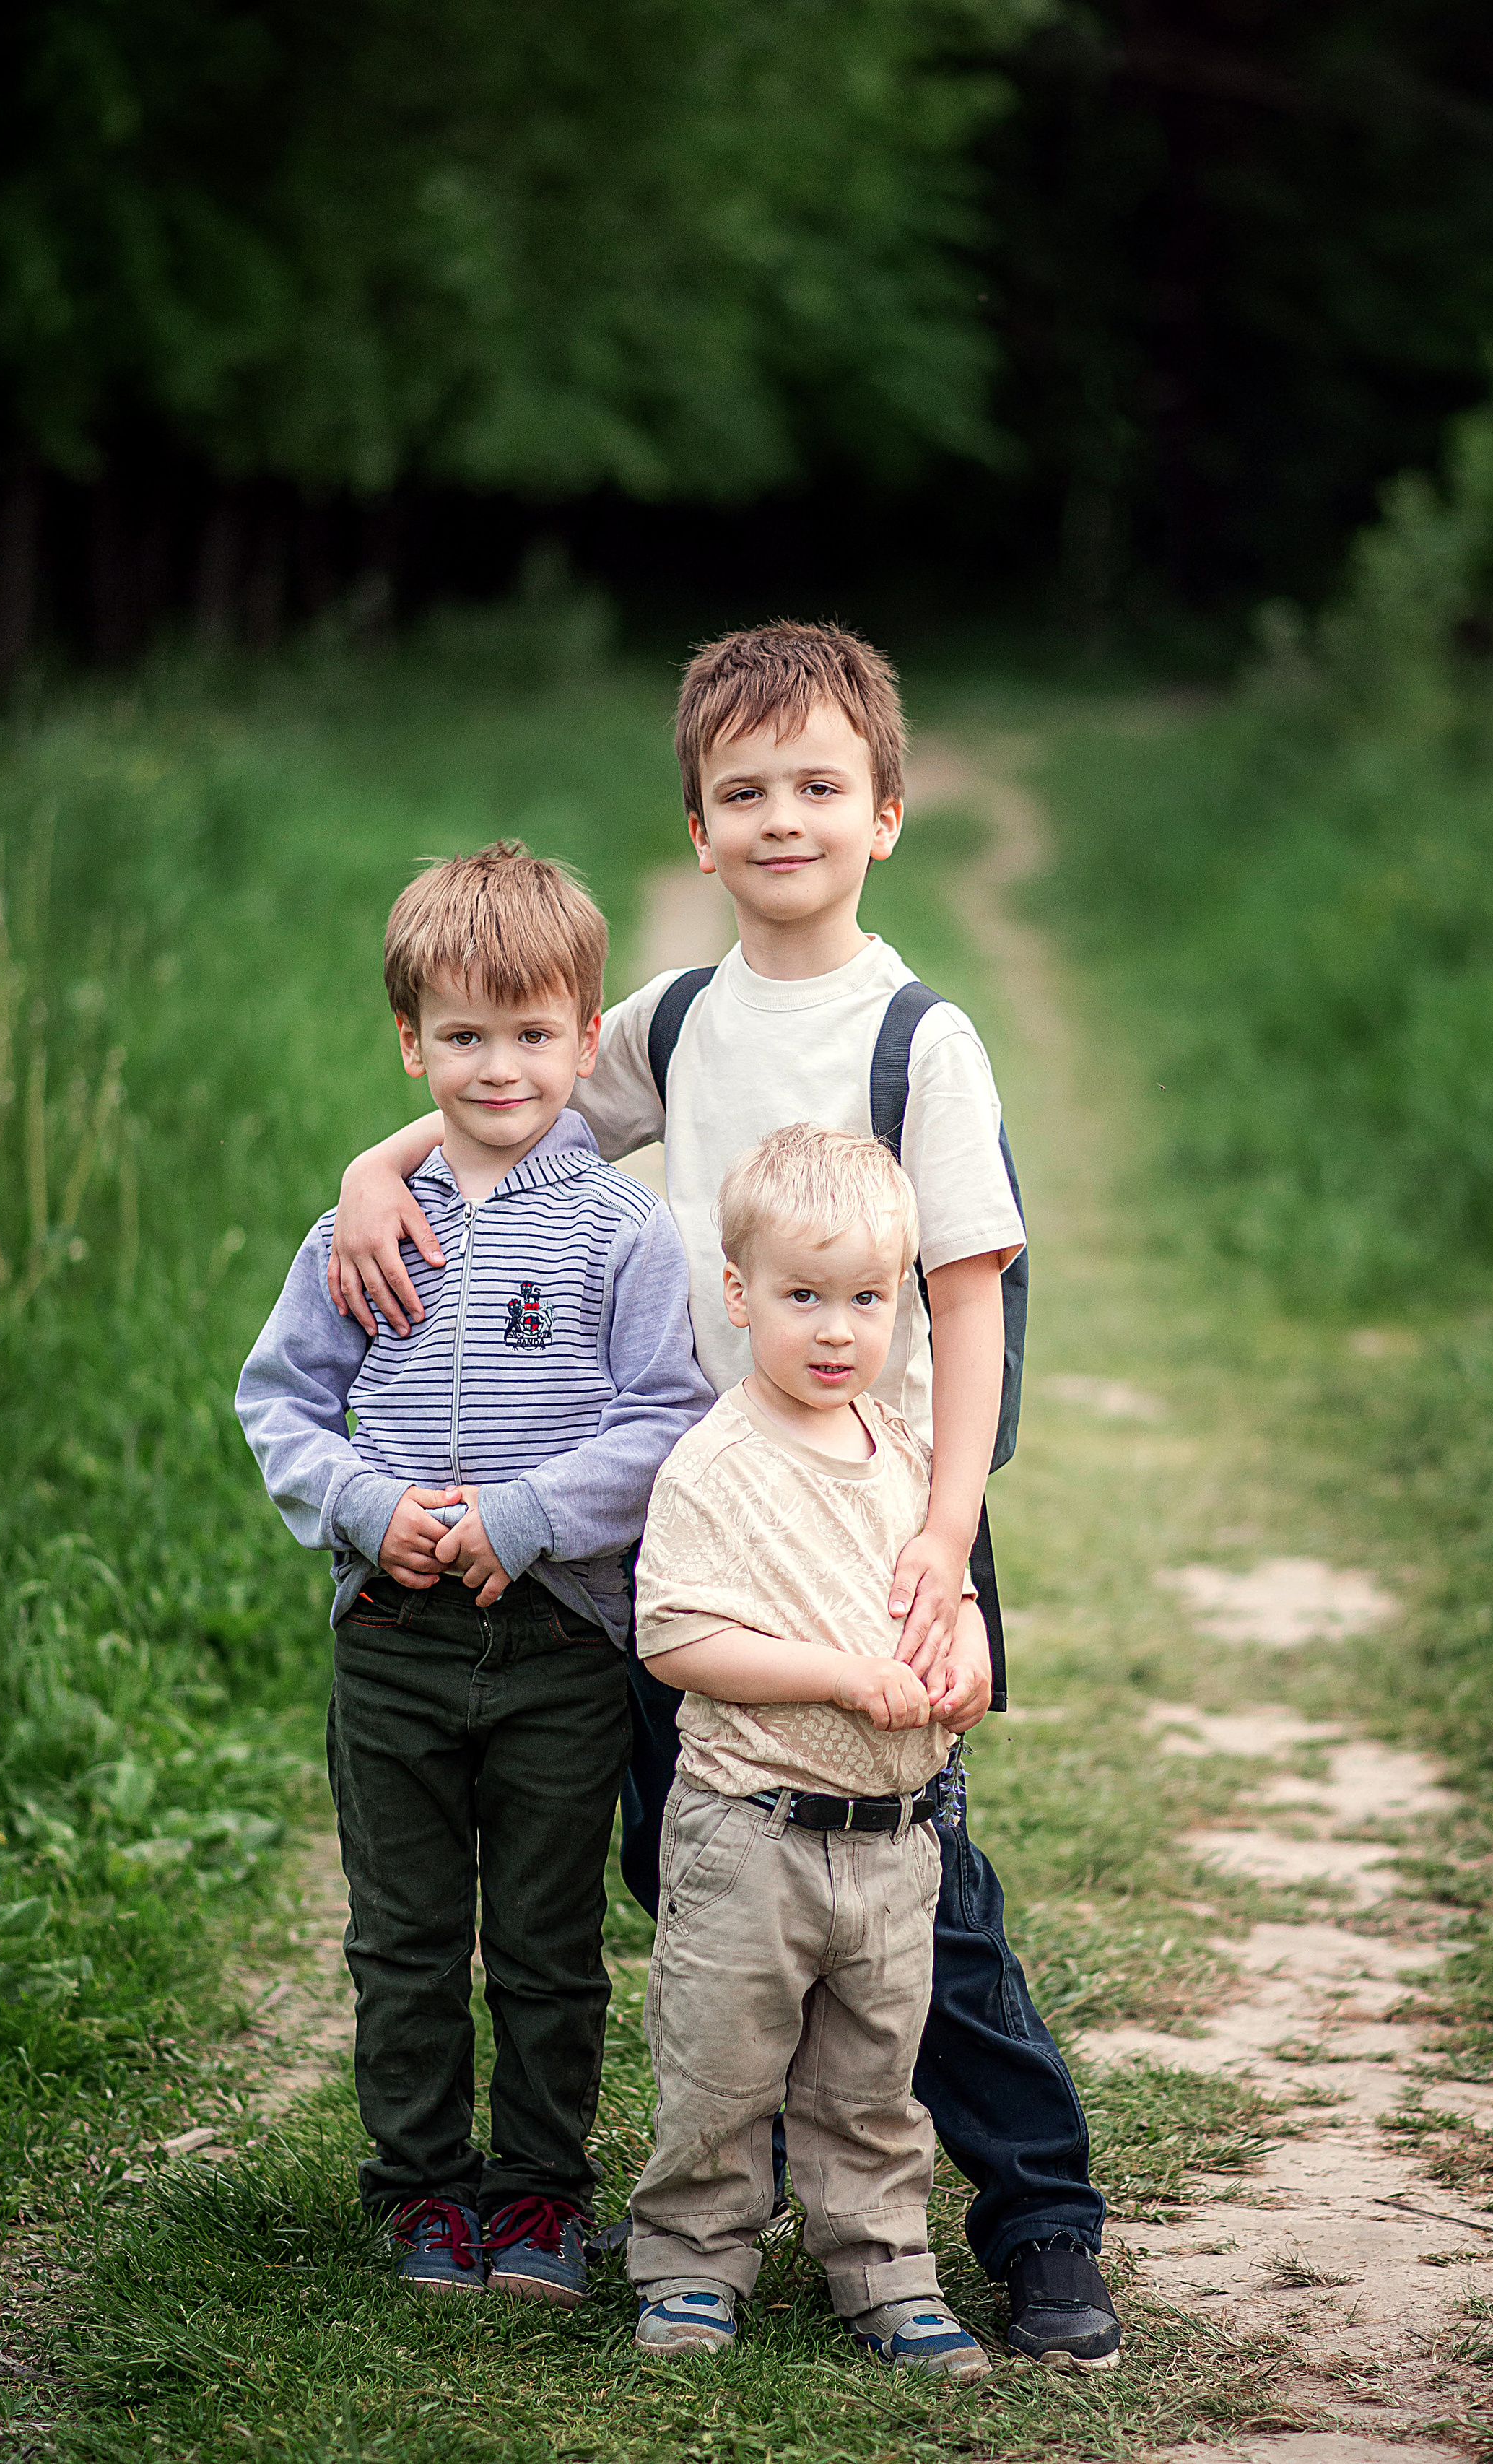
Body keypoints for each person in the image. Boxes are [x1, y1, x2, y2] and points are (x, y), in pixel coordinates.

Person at [326, 623, 1120, 2370]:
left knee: (915, 1878)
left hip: (869, 1518)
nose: (781, 817)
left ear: (885, 813)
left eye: (818, 787)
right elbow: (505, 1098)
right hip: (682, 1520)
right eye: (742, 791)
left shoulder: (921, 1036)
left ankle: (1038, 2224)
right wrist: (366, 1174)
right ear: (695, 828)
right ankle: (734, 2192)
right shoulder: (673, 1021)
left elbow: (971, 1294)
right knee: (693, 1855)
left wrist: (938, 1531)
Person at [235, 843, 713, 2307]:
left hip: (561, 1640)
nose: (495, 1067)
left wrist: (517, 1520)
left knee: (549, 1943)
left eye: (528, 1036)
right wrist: (364, 1507)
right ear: (409, 1042)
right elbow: (278, 1406)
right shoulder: (359, 1231)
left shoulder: (622, 1231)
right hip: (390, 1636)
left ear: (585, 1039)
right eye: (459, 1036)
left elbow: (667, 1419)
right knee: (404, 1932)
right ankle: (423, 2194)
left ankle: (538, 2201)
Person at [628, 1124, 991, 2377]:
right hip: (753, 1830)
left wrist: (968, 1651)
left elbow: (943, 1588)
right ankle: (690, 2262)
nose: (837, 1329)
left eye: (866, 1298)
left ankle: (884, 2273)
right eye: (802, 1296)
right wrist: (842, 1675)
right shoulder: (717, 1463)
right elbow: (676, 1634)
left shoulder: (899, 1450)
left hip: (893, 1840)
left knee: (872, 2080)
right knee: (720, 2062)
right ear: (738, 1295)